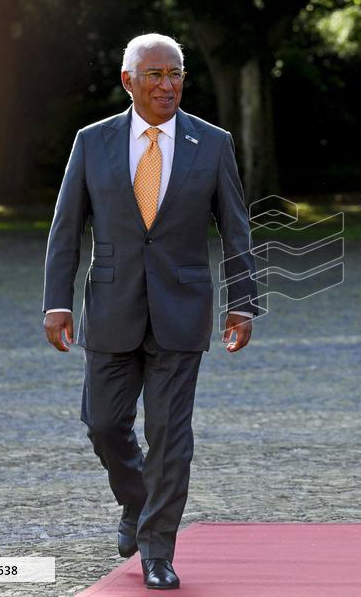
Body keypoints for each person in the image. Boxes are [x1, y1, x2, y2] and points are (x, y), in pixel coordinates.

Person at [42, 33, 258, 589]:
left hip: (182, 311)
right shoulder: (92, 142)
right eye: (156, 75)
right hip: (110, 307)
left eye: (176, 74)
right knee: (104, 424)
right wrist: (57, 302)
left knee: (169, 436)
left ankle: (157, 550)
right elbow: (67, 228)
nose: (168, 85)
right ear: (128, 81)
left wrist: (243, 303)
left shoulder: (211, 143)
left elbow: (236, 227)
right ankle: (136, 504)